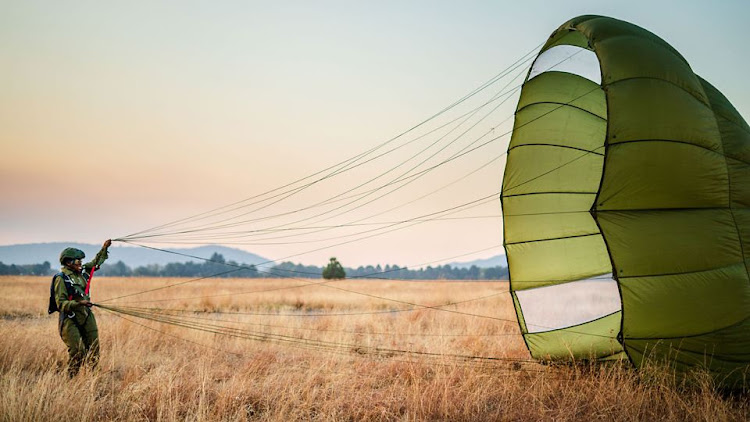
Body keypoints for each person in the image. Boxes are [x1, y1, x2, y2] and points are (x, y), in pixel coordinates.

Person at [54, 239, 111, 376]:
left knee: (94, 350)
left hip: (86, 315)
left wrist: (104, 248)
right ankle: (71, 379)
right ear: (68, 262)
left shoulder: (83, 272)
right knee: (78, 351)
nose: (80, 262)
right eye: (77, 260)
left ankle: (91, 380)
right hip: (70, 318)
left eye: (80, 260)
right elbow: (60, 303)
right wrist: (79, 303)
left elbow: (96, 262)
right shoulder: (62, 278)